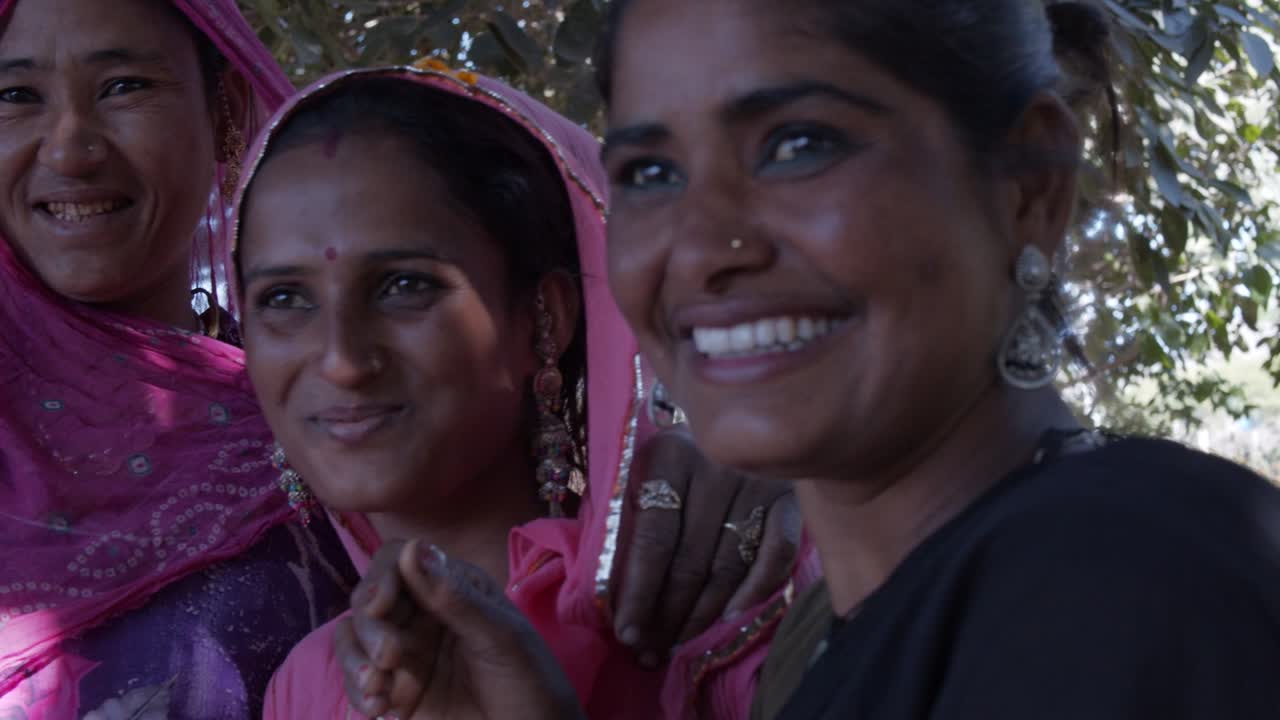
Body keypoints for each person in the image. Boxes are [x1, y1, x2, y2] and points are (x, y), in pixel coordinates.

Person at [594, 0, 1280, 718]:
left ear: (1029, 184)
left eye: (798, 145)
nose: (701, 250)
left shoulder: (1124, 572)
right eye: (649, 173)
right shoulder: (830, 631)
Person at [233, 63, 814, 720]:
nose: (340, 359)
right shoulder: (311, 684)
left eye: (404, 286)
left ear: (546, 317)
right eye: (283, 298)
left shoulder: (733, 589)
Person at [0, 1, 361, 717]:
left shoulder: (342, 411)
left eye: (125, 86)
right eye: (15, 96)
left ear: (224, 110)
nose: (71, 150)